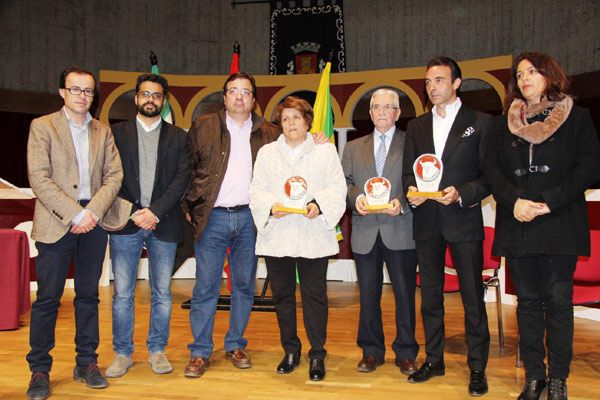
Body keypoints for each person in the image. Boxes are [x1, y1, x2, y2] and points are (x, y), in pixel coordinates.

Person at [484, 51, 600, 400]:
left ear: (550, 75)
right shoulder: (502, 123)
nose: (525, 79)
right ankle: (535, 376)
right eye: (519, 74)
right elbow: (492, 170)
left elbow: (589, 168)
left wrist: (550, 200)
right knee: (528, 304)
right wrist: (515, 201)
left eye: (532, 72)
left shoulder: (577, 119)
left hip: (559, 222)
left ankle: (559, 379)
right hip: (518, 222)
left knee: (559, 302)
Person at [26, 66, 124, 400]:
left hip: (94, 223)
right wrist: (75, 213)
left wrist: (92, 212)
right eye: (76, 89)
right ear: (62, 92)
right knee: (48, 300)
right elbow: (39, 178)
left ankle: (86, 363)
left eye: (88, 91)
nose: (83, 96)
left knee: (88, 297)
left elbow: (114, 176)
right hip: (57, 222)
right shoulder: (42, 127)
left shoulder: (104, 132)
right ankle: (40, 369)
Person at [181, 72, 281, 378]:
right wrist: (189, 205)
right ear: (225, 97)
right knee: (206, 287)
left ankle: (235, 343)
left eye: (245, 92)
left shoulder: (269, 132)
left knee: (243, 286)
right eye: (233, 91)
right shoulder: (203, 125)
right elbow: (186, 167)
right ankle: (199, 351)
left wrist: (316, 137)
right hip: (212, 217)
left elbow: (291, 159)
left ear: (253, 99)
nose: (239, 96)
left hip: (250, 218)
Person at [402, 56, 491, 396]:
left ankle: (477, 368)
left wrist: (461, 193)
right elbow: (409, 173)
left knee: (472, 298)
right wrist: (411, 192)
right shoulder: (417, 125)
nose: (432, 87)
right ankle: (434, 359)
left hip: (463, 220)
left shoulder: (481, 123)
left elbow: (488, 178)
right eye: (428, 82)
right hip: (426, 222)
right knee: (431, 299)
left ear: (456, 83)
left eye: (439, 80)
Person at [249, 96, 346, 381]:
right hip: (279, 234)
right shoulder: (267, 153)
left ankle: (317, 353)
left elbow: (337, 187)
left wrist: (319, 203)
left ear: (308, 121)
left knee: (315, 296)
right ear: (280, 123)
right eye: (286, 118)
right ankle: (290, 349)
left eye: (297, 117)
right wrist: (270, 206)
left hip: (312, 233)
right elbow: (256, 189)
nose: (291, 123)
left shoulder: (324, 152)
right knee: (282, 296)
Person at [104, 73, 191, 378]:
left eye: (156, 95)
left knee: (163, 293)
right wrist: (135, 212)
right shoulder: (115, 134)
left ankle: (157, 349)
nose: (150, 99)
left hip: (163, 222)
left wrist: (153, 211)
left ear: (164, 101)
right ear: (136, 98)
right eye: (145, 94)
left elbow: (182, 180)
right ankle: (123, 353)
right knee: (123, 294)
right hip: (126, 222)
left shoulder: (180, 137)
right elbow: (109, 178)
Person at [341, 88, 418, 375]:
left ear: (398, 113)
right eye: (376, 107)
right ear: (370, 112)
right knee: (369, 296)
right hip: (365, 233)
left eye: (389, 107)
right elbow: (345, 183)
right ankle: (371, 351)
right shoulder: (352, 146)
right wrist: (355, 198)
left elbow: (419, 181)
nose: (382, 111)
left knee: (405, 295)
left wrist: (404, 204)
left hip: (401, 229)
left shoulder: (411, 142)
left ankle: (407, 351)